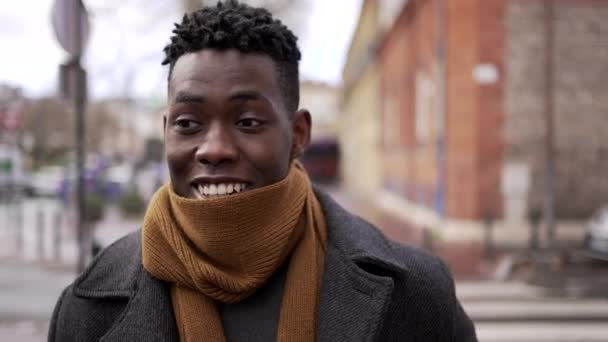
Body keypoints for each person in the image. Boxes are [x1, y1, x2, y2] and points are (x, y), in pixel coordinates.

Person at [48, 1, 477, 341]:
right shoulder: (88, 308)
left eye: (248, 121)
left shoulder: (417, 295)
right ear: (166, 133)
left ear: (298, 134)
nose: (213, 149)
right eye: (187, 123)